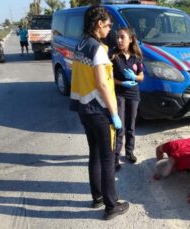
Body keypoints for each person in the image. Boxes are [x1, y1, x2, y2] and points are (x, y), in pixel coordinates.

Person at [69, 6, 129, 220]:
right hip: (100, 110)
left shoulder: (81, 44)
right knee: (107, 157)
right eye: (108, 24)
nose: (110, 28)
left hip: (84, 109)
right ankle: (111, 206)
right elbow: (103, 84)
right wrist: (114, 113)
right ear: (98, 24)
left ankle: (97, 197)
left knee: (94, 153)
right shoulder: (98, 49)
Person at [110, 27, 144, 171]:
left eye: (122, 37)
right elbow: (109, 78)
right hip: (120, 94)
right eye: (117, 37)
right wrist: (121, 82)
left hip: (134, 95)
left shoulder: (137, 57)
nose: (118, 40)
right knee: (121, 128)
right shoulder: (113, 56)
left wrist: (135, 77)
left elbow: (142, 77)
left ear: (130, 40)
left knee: (131, 126)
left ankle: (129, 152)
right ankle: (115, 157)